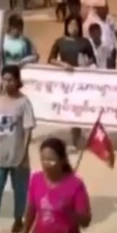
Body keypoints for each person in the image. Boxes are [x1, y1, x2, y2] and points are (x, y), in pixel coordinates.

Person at [0, 66, 35, 233]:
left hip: (17, 155)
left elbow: (27, 130)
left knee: (20, 192)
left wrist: (23, 154)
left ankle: (18, 219)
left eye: (10, 79)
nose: (6, 83)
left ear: (18, 81)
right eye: (4, 79)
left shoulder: (24, 102)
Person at [19, 138, 91, 233]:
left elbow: (85, 222)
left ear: (62, 160)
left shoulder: (75, 184)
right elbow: (31, 209)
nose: (46, 164)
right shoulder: (36, 179)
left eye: (51, 160)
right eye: (43, 159)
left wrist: (76, 214)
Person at [48, 17, 96, 146]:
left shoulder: (85, 42)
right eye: (70, 24)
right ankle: (73, 131)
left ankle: (77, 134)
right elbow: (51, 59)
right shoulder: (60, 42)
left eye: (75, 24)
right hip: (65, 80)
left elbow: (93, 59)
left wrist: (85, 64)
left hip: (80, 80)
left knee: (78, 106)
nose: (73, 27)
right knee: (66, 105)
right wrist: (62, 64)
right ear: (66, 26)